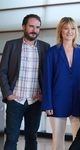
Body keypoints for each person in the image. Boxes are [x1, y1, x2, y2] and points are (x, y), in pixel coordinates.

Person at [0, 14, 50, 150]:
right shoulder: (11, 45)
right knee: (11, 139)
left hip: (35, 102)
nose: (34, 30)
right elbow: (2, 71)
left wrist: (43, 95)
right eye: (31, 26)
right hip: (15, 100)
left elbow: (49, 75)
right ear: (24, 27)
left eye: (37, 27)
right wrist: (8, 94)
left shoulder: (46, 48)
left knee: (32, 138)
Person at [42, 17, 80, 150]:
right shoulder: (52, 52)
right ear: (60, 31)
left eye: (73, 28)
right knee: (57, 142)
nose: (69, 31)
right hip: (57, 102)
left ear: (76, 31)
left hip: (79, 102)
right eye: (66, 28)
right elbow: (47, 79)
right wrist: (48, 103)